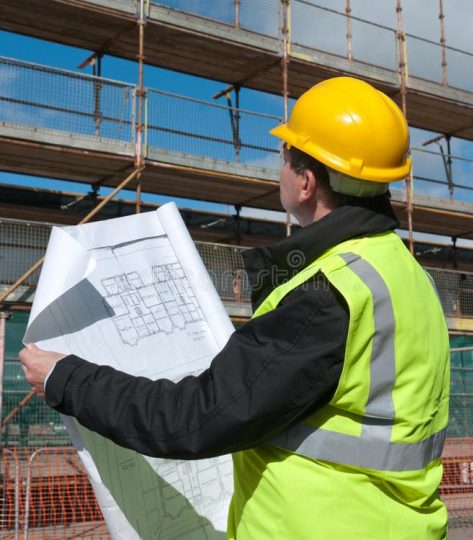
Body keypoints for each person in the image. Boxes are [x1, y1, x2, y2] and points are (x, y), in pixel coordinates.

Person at [20, 77, 450, 539]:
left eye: (286, 159)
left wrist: (67, 378)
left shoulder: (328, 294)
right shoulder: (406, 275)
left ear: (306, 182)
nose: (280, 170)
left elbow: (197, 419)